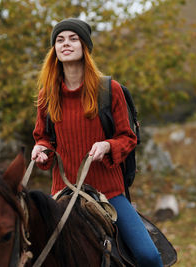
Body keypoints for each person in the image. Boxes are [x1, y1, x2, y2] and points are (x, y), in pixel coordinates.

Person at [31, 18, 163, 267]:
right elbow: (44, 138)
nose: (65, 44)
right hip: (62, 194)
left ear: (85, 46)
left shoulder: (109, 90)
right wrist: (41, 151)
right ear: (54, 50)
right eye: (60, 40)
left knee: (149, 256)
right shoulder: (46, 96)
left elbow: (128, 137)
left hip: (108, 194)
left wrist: (107, 146)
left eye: (73, 39)